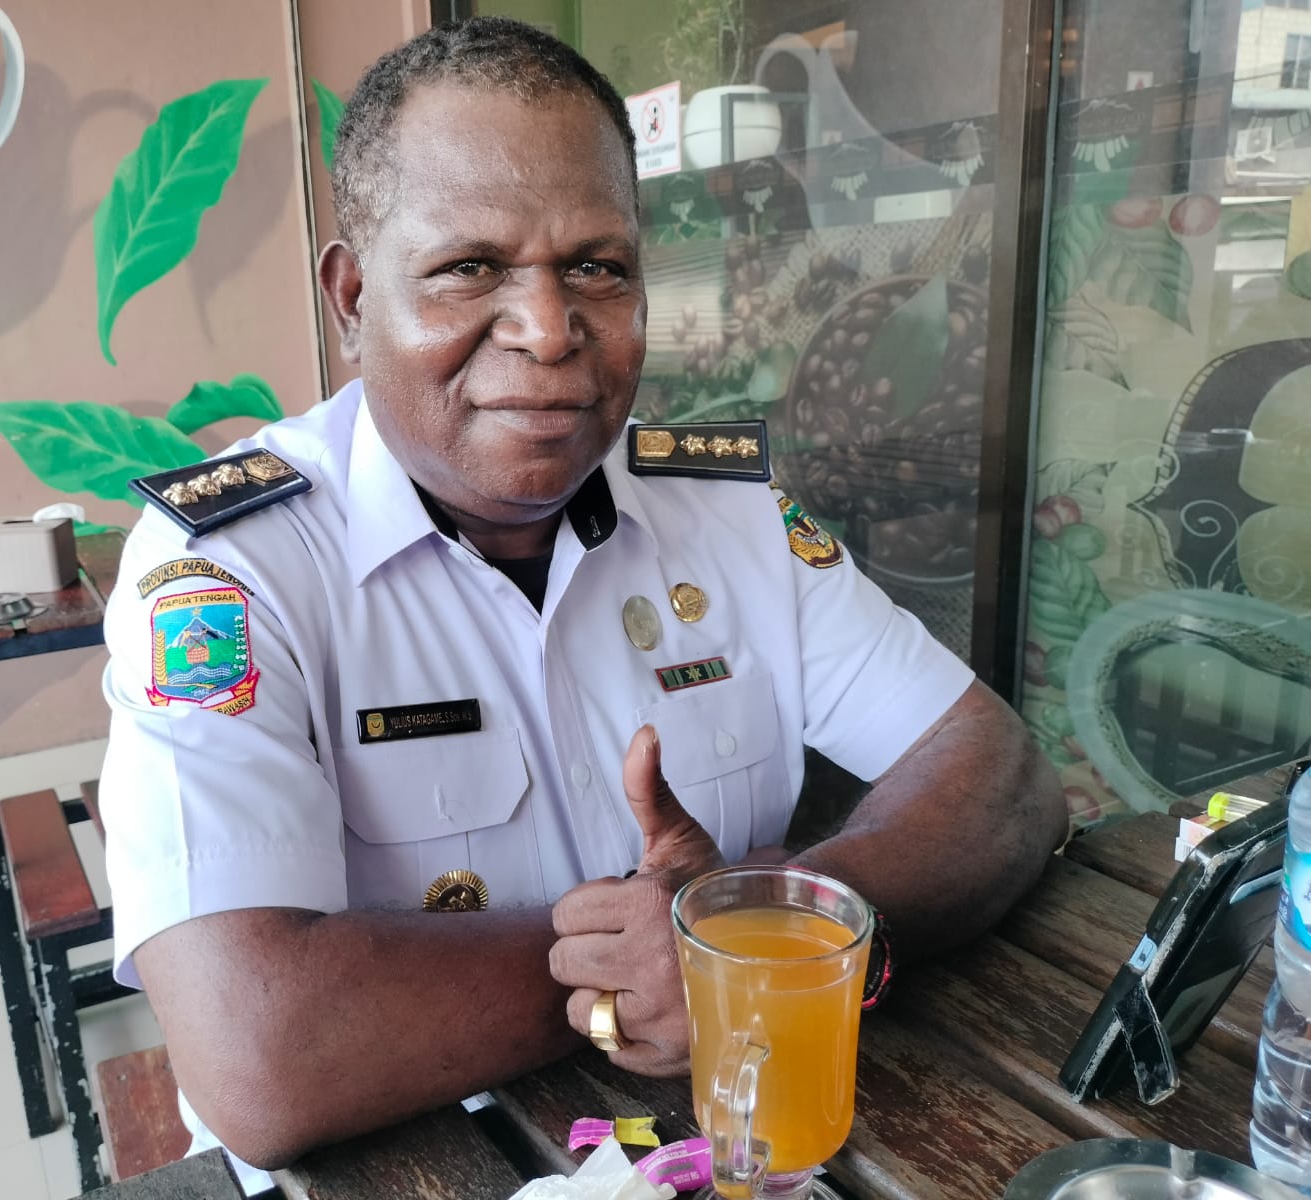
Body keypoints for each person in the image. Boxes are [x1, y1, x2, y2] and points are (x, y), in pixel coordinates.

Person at [97, 15, 1067, 1188]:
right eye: (469, 268)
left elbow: (998, 776)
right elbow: (261, 1056)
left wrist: (772, 937)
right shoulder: (232, 569)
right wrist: (666, 961)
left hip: (726, 1131)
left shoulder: (726, 512)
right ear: (351, 298)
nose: (550, 332)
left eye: (597, 268)